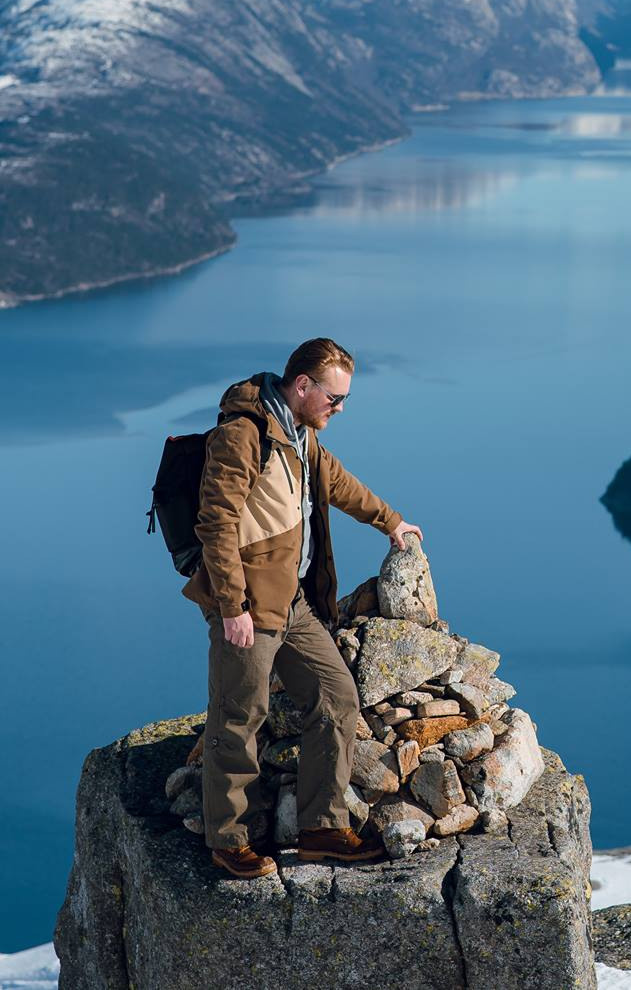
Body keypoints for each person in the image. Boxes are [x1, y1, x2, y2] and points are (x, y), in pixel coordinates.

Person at [183, 337, 422, 878]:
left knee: (337, 697)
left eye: (344, 400)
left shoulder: (299, 436)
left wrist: (390, 521)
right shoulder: (242, 435)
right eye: (334, 398)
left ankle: (321, 829)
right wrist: (231, 606)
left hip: (290, 601)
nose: (339, 408)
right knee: (239, 716)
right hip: (247, 606)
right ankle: (228, 840)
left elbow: (337, 483)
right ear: (302, 386)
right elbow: (215, 523)